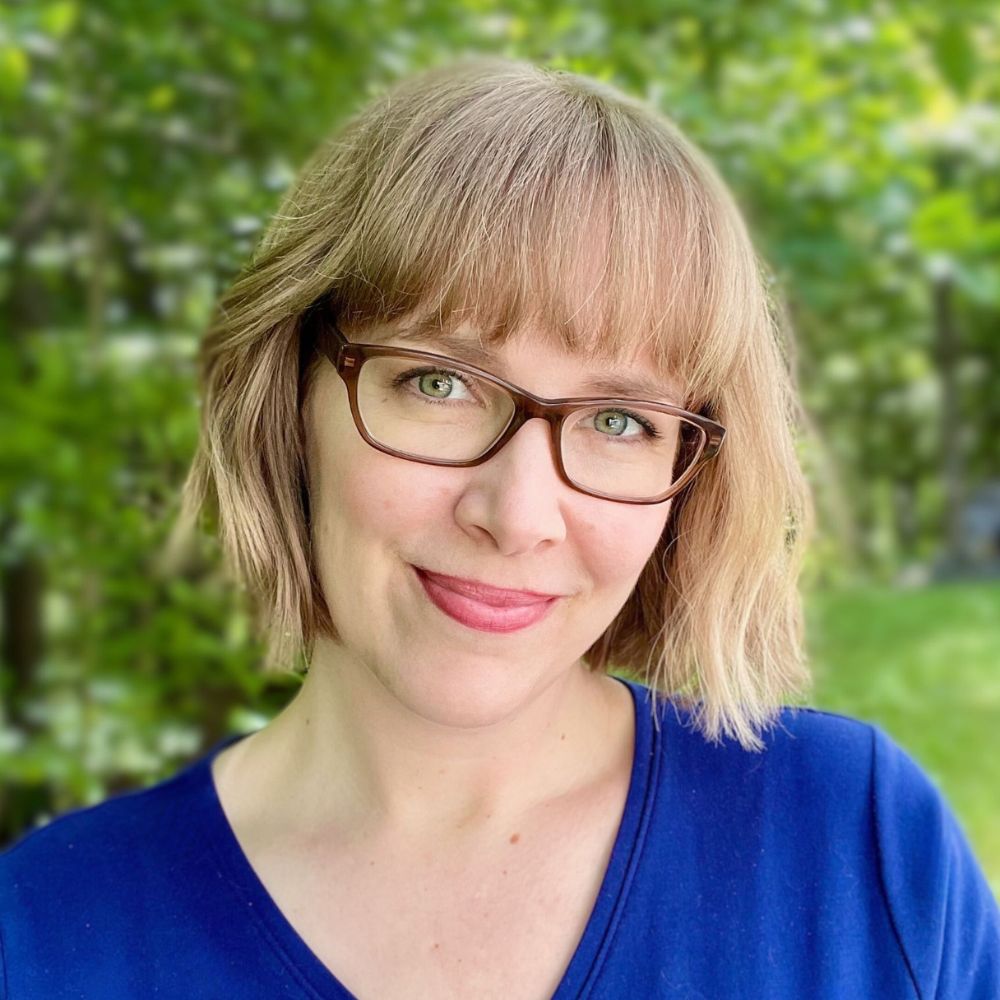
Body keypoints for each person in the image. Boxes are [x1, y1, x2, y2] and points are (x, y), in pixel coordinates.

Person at [1, 57, 997, 1000]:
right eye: (439, 383)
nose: (518, 517)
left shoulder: (858, 851)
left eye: (620, 421)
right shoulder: (44, 931)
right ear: (288, 395)